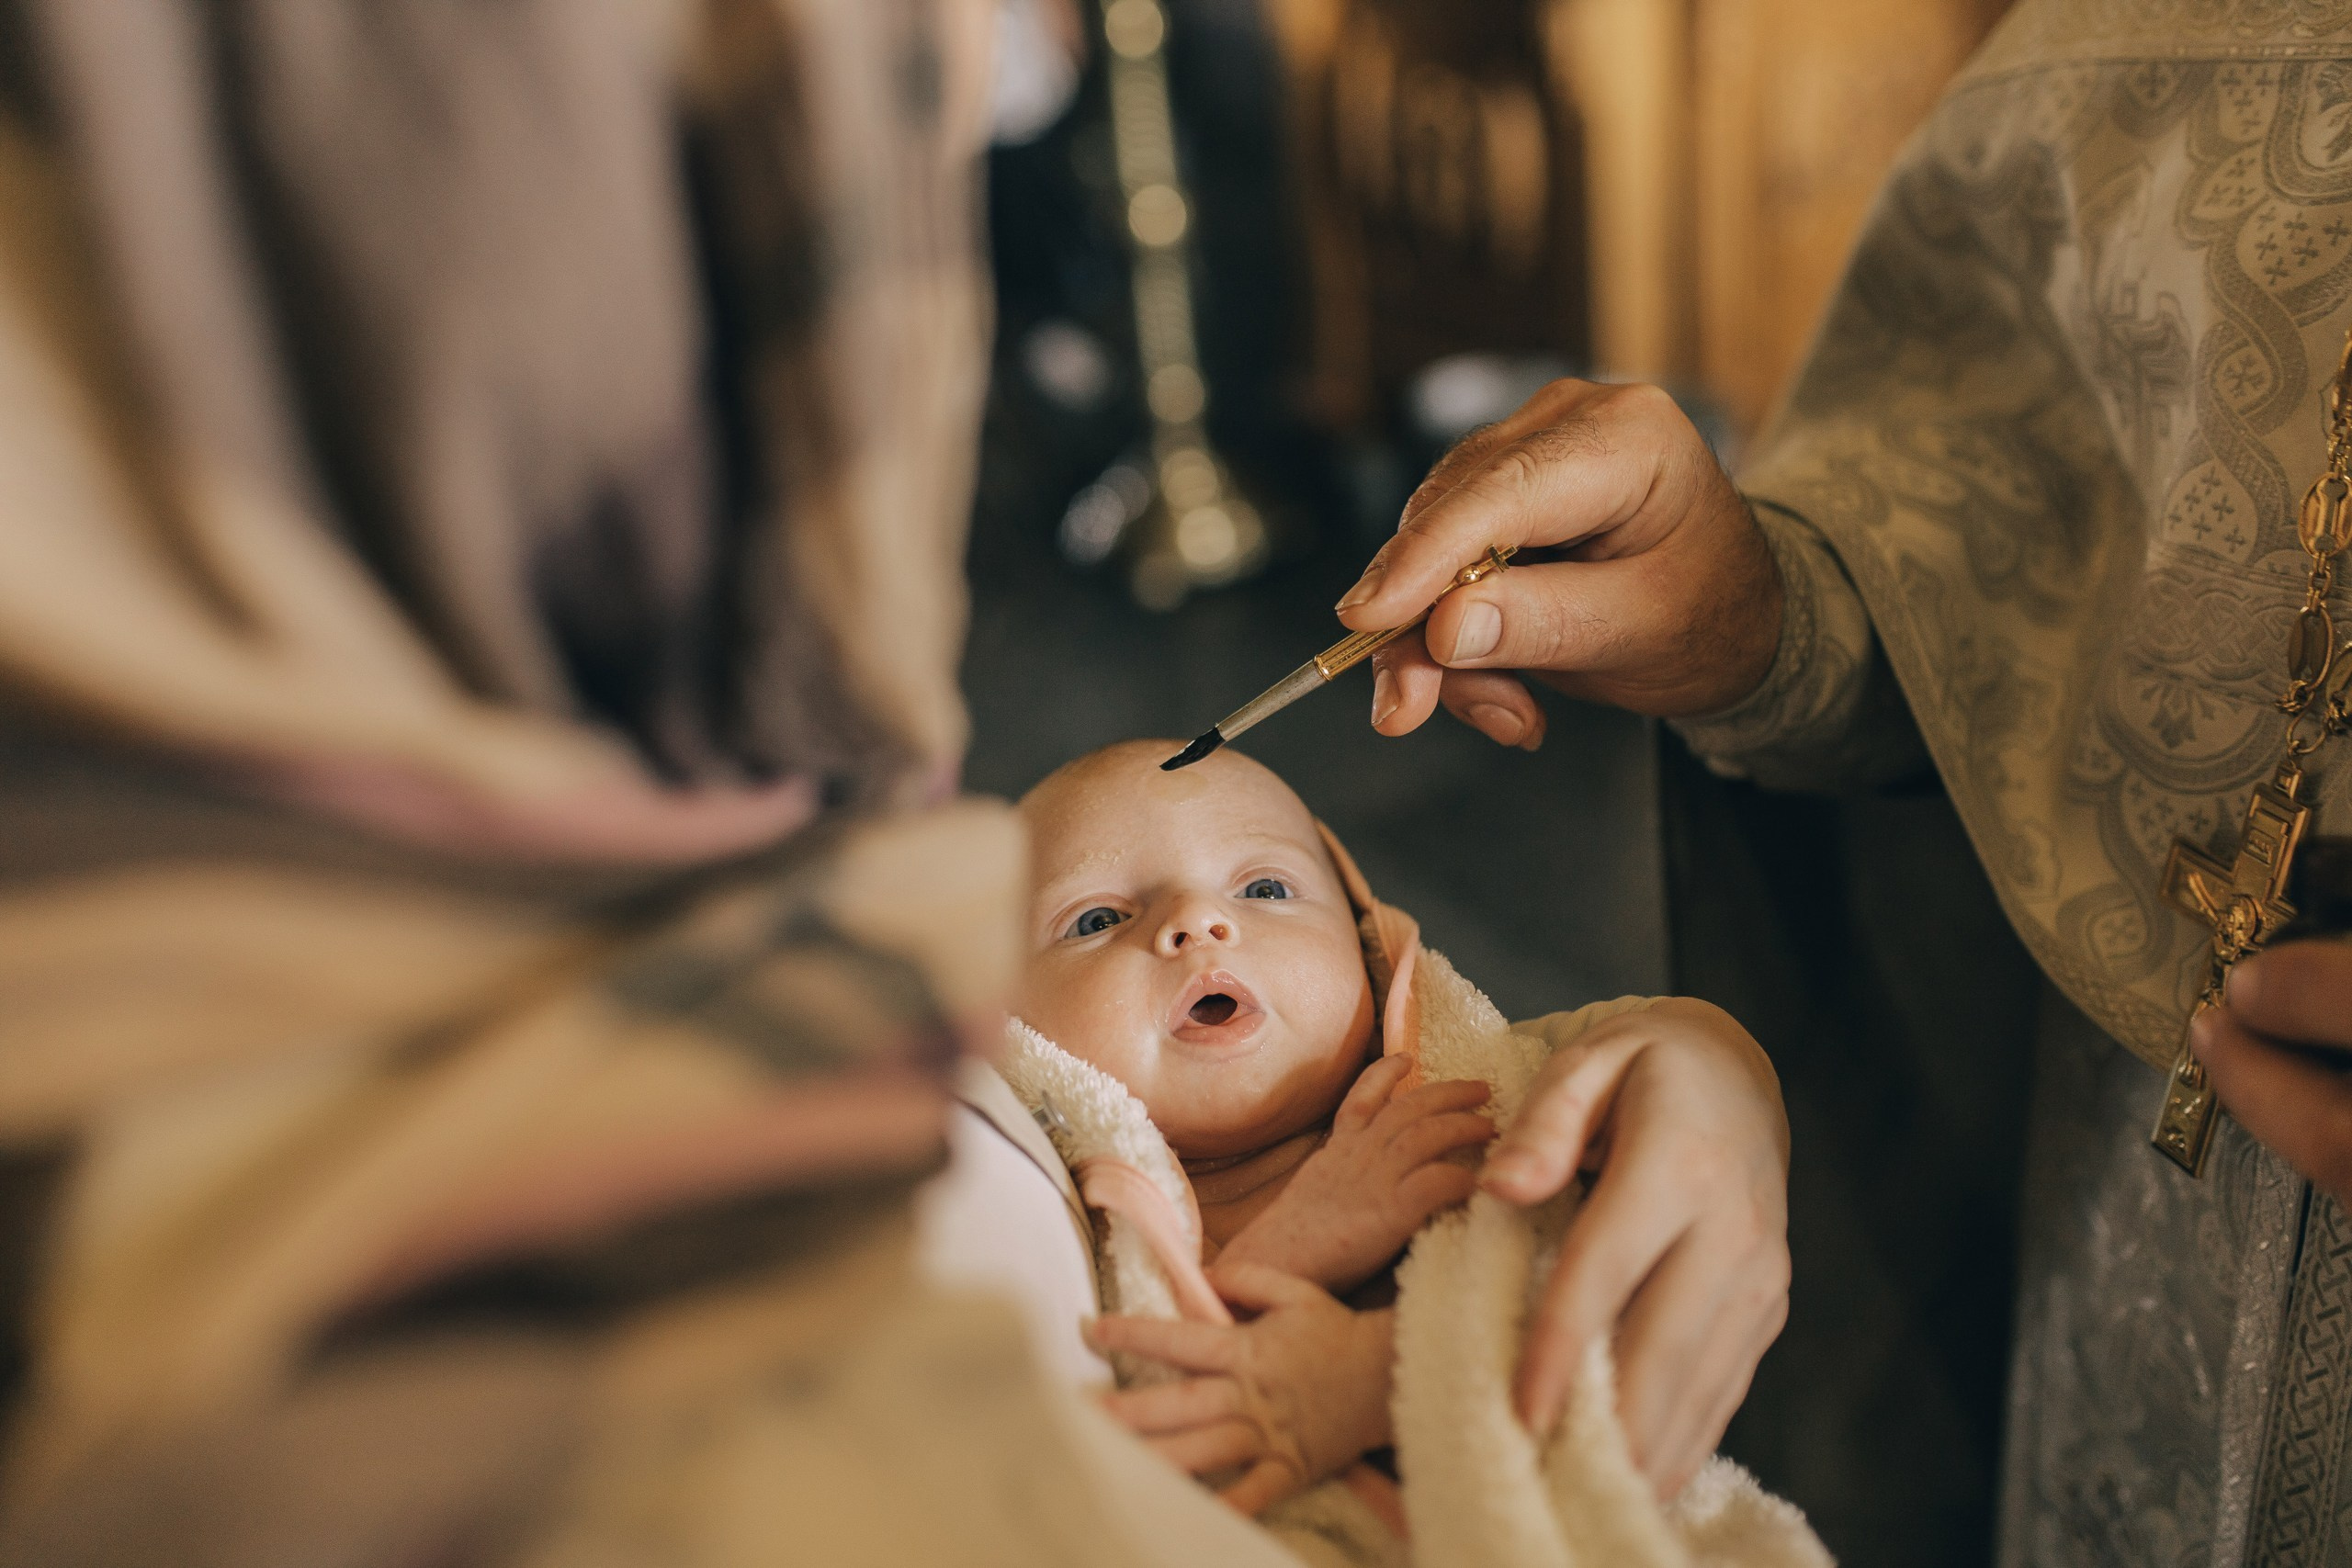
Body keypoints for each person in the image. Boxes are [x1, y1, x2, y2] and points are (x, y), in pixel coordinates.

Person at [1335, 4, 2352, 1561]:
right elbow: (2052, 493)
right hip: (2126, 1245)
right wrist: (1768, 614)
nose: (1191, 934)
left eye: (1260, 879)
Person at [986, 740, 1823, 1567]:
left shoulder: (1484, 1090)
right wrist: (1305, 1276)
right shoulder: (1049, 1197)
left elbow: (1627, 1281)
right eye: (1097, 919)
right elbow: (1131, 1429)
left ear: (1370, 945)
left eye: (1266, 887)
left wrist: (1713, 1049)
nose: (1196, 922)